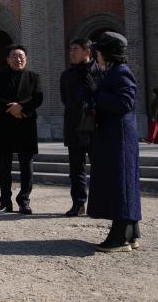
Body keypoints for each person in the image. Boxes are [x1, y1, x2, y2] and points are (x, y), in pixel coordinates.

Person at [86, 32, 141, 252]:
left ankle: (119, 238)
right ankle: (133, 233)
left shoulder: (121, 72)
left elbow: (125, 102)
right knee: (124, 183)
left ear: (107, 53)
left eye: (98, 51)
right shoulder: (112, 72)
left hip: (119, 137)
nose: (96, 55)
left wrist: (96, 95)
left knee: (121, 184)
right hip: (114, 135)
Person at [0, 44, 43, 215]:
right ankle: (5, 202)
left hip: (26, 124)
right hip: (5, 125)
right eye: (14, 56)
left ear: (26, 58)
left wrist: (22, 108)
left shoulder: (34, 77)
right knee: (4, 166)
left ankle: (24, 201)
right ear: (8, 59)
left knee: (27, 166)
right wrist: (12, 108)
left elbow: (38, 98)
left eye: (21, 56)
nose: (18, 59)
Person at [59, 38, 100, 216]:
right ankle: (79, 203)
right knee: (76, 170)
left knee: (99, 167)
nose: (71, 52)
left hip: (95, 128)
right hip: (74, 126)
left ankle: (100, 203)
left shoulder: (99, 71)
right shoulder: (66, 75)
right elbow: (64, 99)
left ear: (87, 52)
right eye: (70, 49)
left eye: (75, 49)